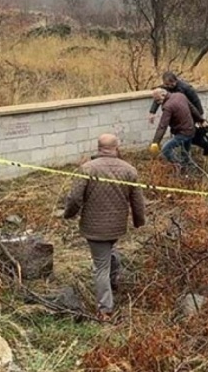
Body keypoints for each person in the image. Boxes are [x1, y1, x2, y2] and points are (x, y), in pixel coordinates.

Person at [63, 134, 146, 322]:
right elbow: (138, 201)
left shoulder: (87, 169)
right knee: (109, 252)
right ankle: (114, 278)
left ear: (99, 148)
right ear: (116, 147)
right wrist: (139, 221)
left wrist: (69, 214)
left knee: (100, 266)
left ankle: (105, 309)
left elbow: (75, 198)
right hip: (116, 226)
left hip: (94, 227)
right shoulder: (129, 170)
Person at [150, 88, 204, 169]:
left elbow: (162, 126)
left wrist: (155, 142)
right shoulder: (180, 95)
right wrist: (200, 120)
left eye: (158, 100)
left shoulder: (168, 106)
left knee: (166, 149)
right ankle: (191, 171)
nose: (158, 103)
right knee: (185, 154)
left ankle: (179, 166)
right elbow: (192, 108)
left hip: (183, 133)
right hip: (191, 130)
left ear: (163, 95)